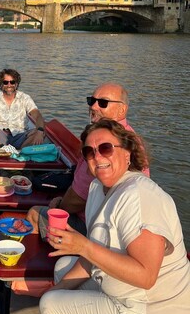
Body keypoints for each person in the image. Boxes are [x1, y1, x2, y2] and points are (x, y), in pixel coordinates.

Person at [39, 119, 190, 314]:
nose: (97, 156)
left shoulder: (141, 196)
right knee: (63, 267)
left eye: (106, 148)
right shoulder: (99, 187)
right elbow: (91, 257)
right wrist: (59, 287)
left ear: (128, 152)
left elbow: (145, 276)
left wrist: (83, 246)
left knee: (49, 307)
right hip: (125, 295)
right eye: (89, 151)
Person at [27, 83, 150, 237]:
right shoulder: (131, 136)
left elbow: (78, 198)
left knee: (34, 214)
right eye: (91, 101)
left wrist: (59, 205)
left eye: (103, 103)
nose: (94, 106)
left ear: (122, 109)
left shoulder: (100, 142)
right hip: (114, 223)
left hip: (96, 227)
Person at [0, 68, 45, 149]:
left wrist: (40, 131)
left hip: (20, 135)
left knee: (40, 131)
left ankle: (22, 153)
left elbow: (38, 116)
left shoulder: (25, 98)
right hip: (0, 134)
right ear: (1, 84)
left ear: (16, 84)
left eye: (12, 82)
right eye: (5, 82)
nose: (9, 85)